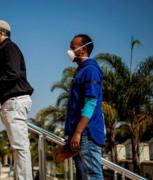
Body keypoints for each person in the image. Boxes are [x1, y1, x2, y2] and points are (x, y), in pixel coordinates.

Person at [0, 20, 34, 180]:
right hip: (11, 102)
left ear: (1, 32)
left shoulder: (9, 47)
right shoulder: (2, 50)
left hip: (15, 101)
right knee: (18, 147)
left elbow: (13, 74)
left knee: (20, 147)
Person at [65, 34, 105, 180]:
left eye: (72, 47)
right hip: (79, 134)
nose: (69, 50)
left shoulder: (90, 70)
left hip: (86, 134)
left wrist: (78, 132)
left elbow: (90, 103)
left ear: (83, 49)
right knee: (83, 175)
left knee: (92, 175)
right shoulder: (81, 70)